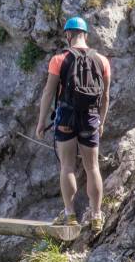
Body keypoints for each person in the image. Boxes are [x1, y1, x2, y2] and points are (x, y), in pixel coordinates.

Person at [35, 17, 111, 233]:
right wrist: (102, 122)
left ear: (68, 35)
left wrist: (41, 122)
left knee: (67, 166)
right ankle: (96, 215)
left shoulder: (59, 59)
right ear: (85, 34)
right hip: (91, 117)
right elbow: (105, 96)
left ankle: (70, 215)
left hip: (66, 116)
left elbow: (49, 92)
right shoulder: (102, 61)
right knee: (92, 167)